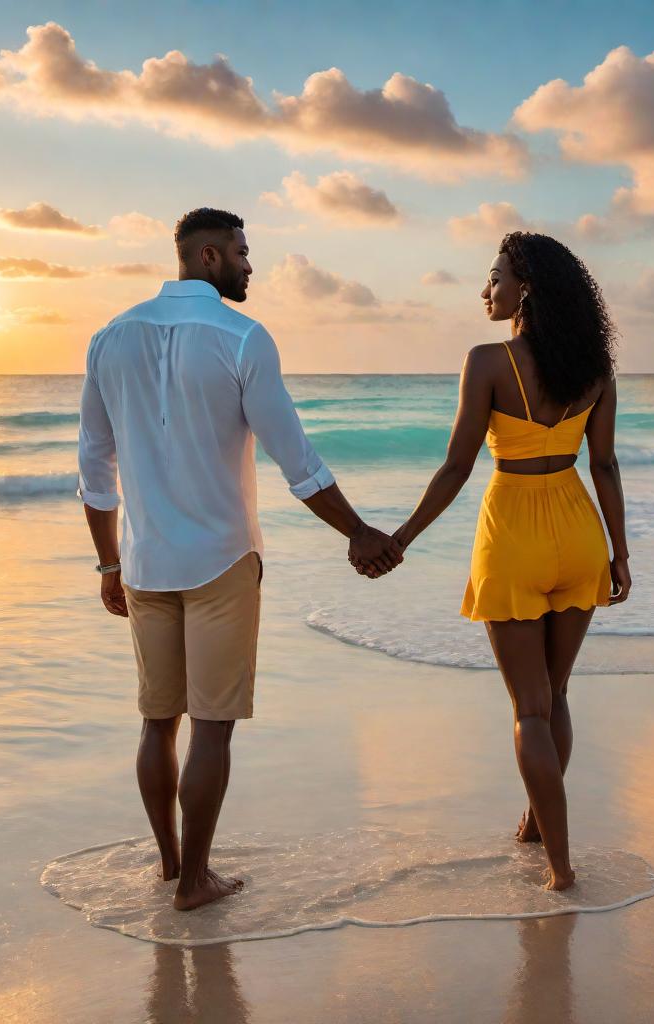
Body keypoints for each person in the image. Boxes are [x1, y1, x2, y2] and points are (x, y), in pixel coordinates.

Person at [77, 207, 403, 911]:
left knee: (156, 721)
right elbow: (297, 458)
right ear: (206, 256)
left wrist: (107, 565)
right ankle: (196, 882)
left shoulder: (109, 338)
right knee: (211, 727)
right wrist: (357, 531)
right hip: (223, 557)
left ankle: (170, 865)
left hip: (144, 561)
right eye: (242, 253)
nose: (251, 265)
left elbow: (93, 468)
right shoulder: (242, 337)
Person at [365, 231, 631, 890]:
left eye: (496, 277)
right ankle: (539, 827)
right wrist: (620, 554)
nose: (487, 290)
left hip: (511, 533)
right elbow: (603, 465)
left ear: (526, 289)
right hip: (577, 533)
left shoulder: (487, 361)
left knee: (529, 711)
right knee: (555, 695)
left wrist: (401, 536)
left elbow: (457, 466)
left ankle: (561, 867)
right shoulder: (593, 372)